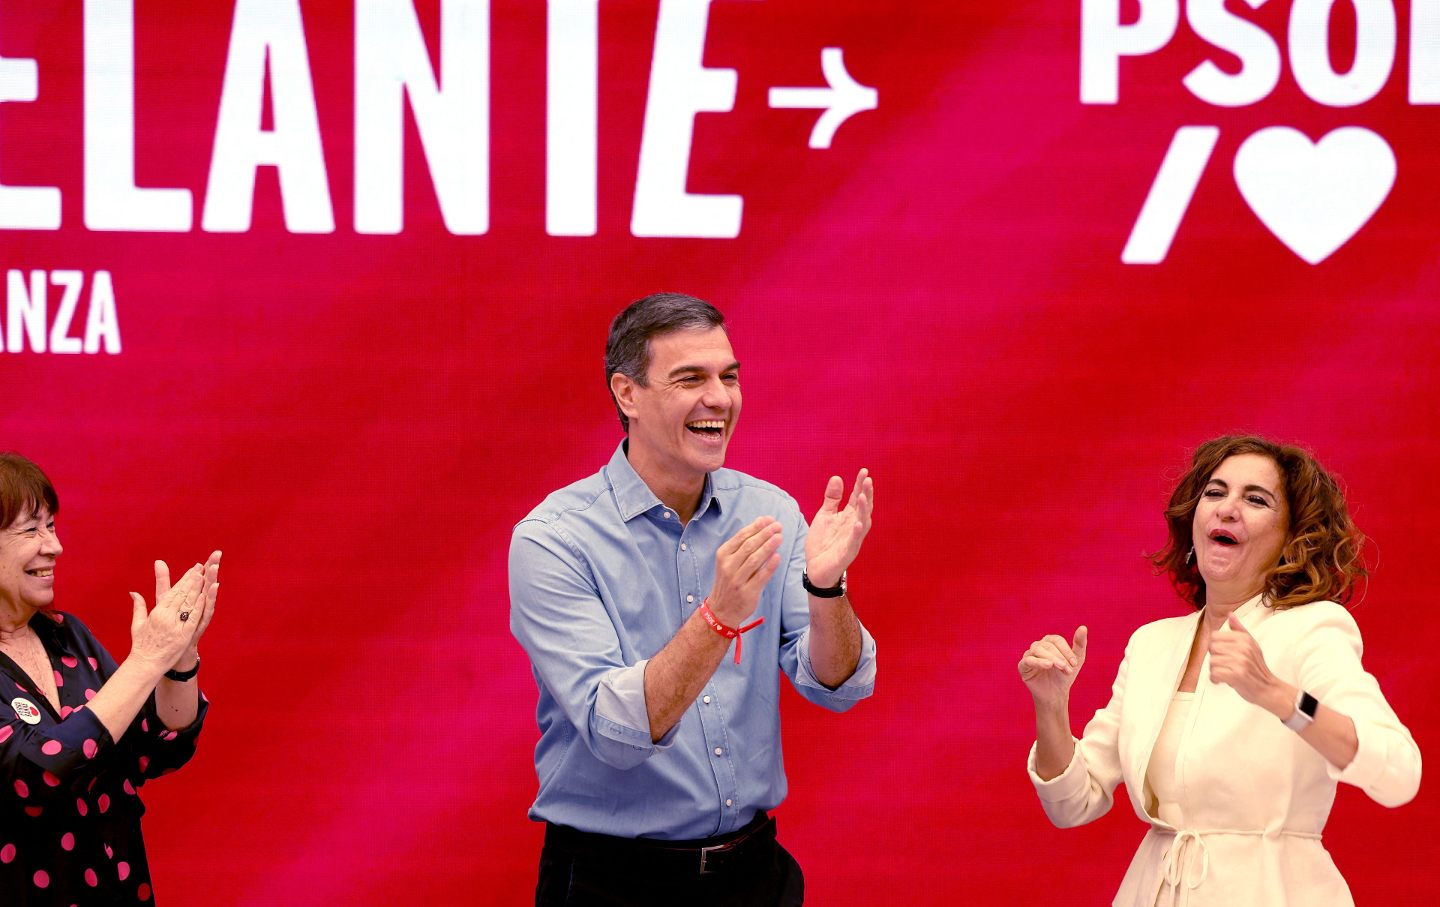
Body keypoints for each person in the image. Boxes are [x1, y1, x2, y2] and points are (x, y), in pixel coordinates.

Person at [510, 292, 877, 906]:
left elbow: (838, 686)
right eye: (691, 379)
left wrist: (826, 588)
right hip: (613, 882)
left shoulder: (769, 510)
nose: (720, 399)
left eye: (728, 376)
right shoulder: (553, 540)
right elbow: (615, 732)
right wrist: (717, 618)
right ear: (627, 394)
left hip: (755, 874)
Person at [1018, 436, 1421, 906]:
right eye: (1215, 492)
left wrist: (1279, 696)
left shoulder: (1314, 629)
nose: (1228, 509)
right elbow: (1073, 803)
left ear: (1292, 538)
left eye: (1256, 499)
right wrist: (1050, 705)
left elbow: (1397, 771)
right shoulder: (1152, 644)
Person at [0, 453, 221, 904]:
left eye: (52, 526)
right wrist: (145, 661)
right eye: (30, 530)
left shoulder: (68, 636)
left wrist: (179, 660)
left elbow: (154, 752)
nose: (54, 546)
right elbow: (34, 775)